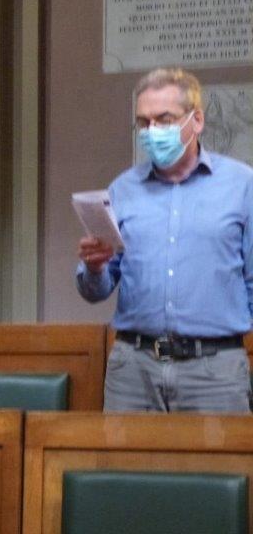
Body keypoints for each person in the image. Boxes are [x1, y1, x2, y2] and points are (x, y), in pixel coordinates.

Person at [76, 67, 253, 413]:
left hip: (215, 371)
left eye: (164, 119)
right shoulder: (123, 189)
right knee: (124, 453)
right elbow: (95, 290)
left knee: (219, 453)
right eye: (144, 123)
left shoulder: (242, 185)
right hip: (133, 369)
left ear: (196, 121)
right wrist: (94, 269)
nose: (153, 131)